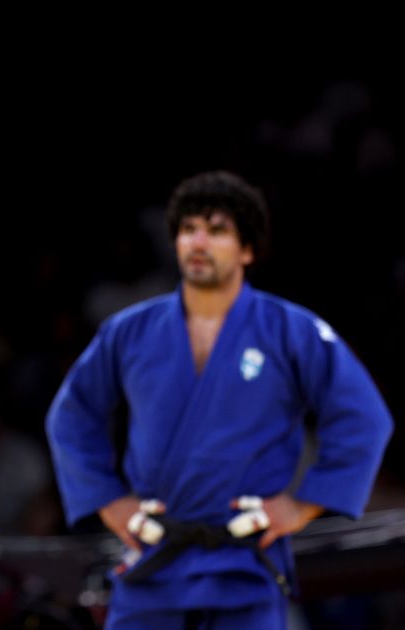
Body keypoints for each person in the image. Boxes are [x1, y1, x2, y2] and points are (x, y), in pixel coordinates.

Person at [45, 170, 393, 629]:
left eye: (216, 229)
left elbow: (364, 419)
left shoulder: (291, 330)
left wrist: (301, 506)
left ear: (247, 249)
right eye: (188, 229)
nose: (198, 241)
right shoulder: (130, 330)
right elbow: (71, 417)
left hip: (244, 562)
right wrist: (110, 502)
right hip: (154, 555)